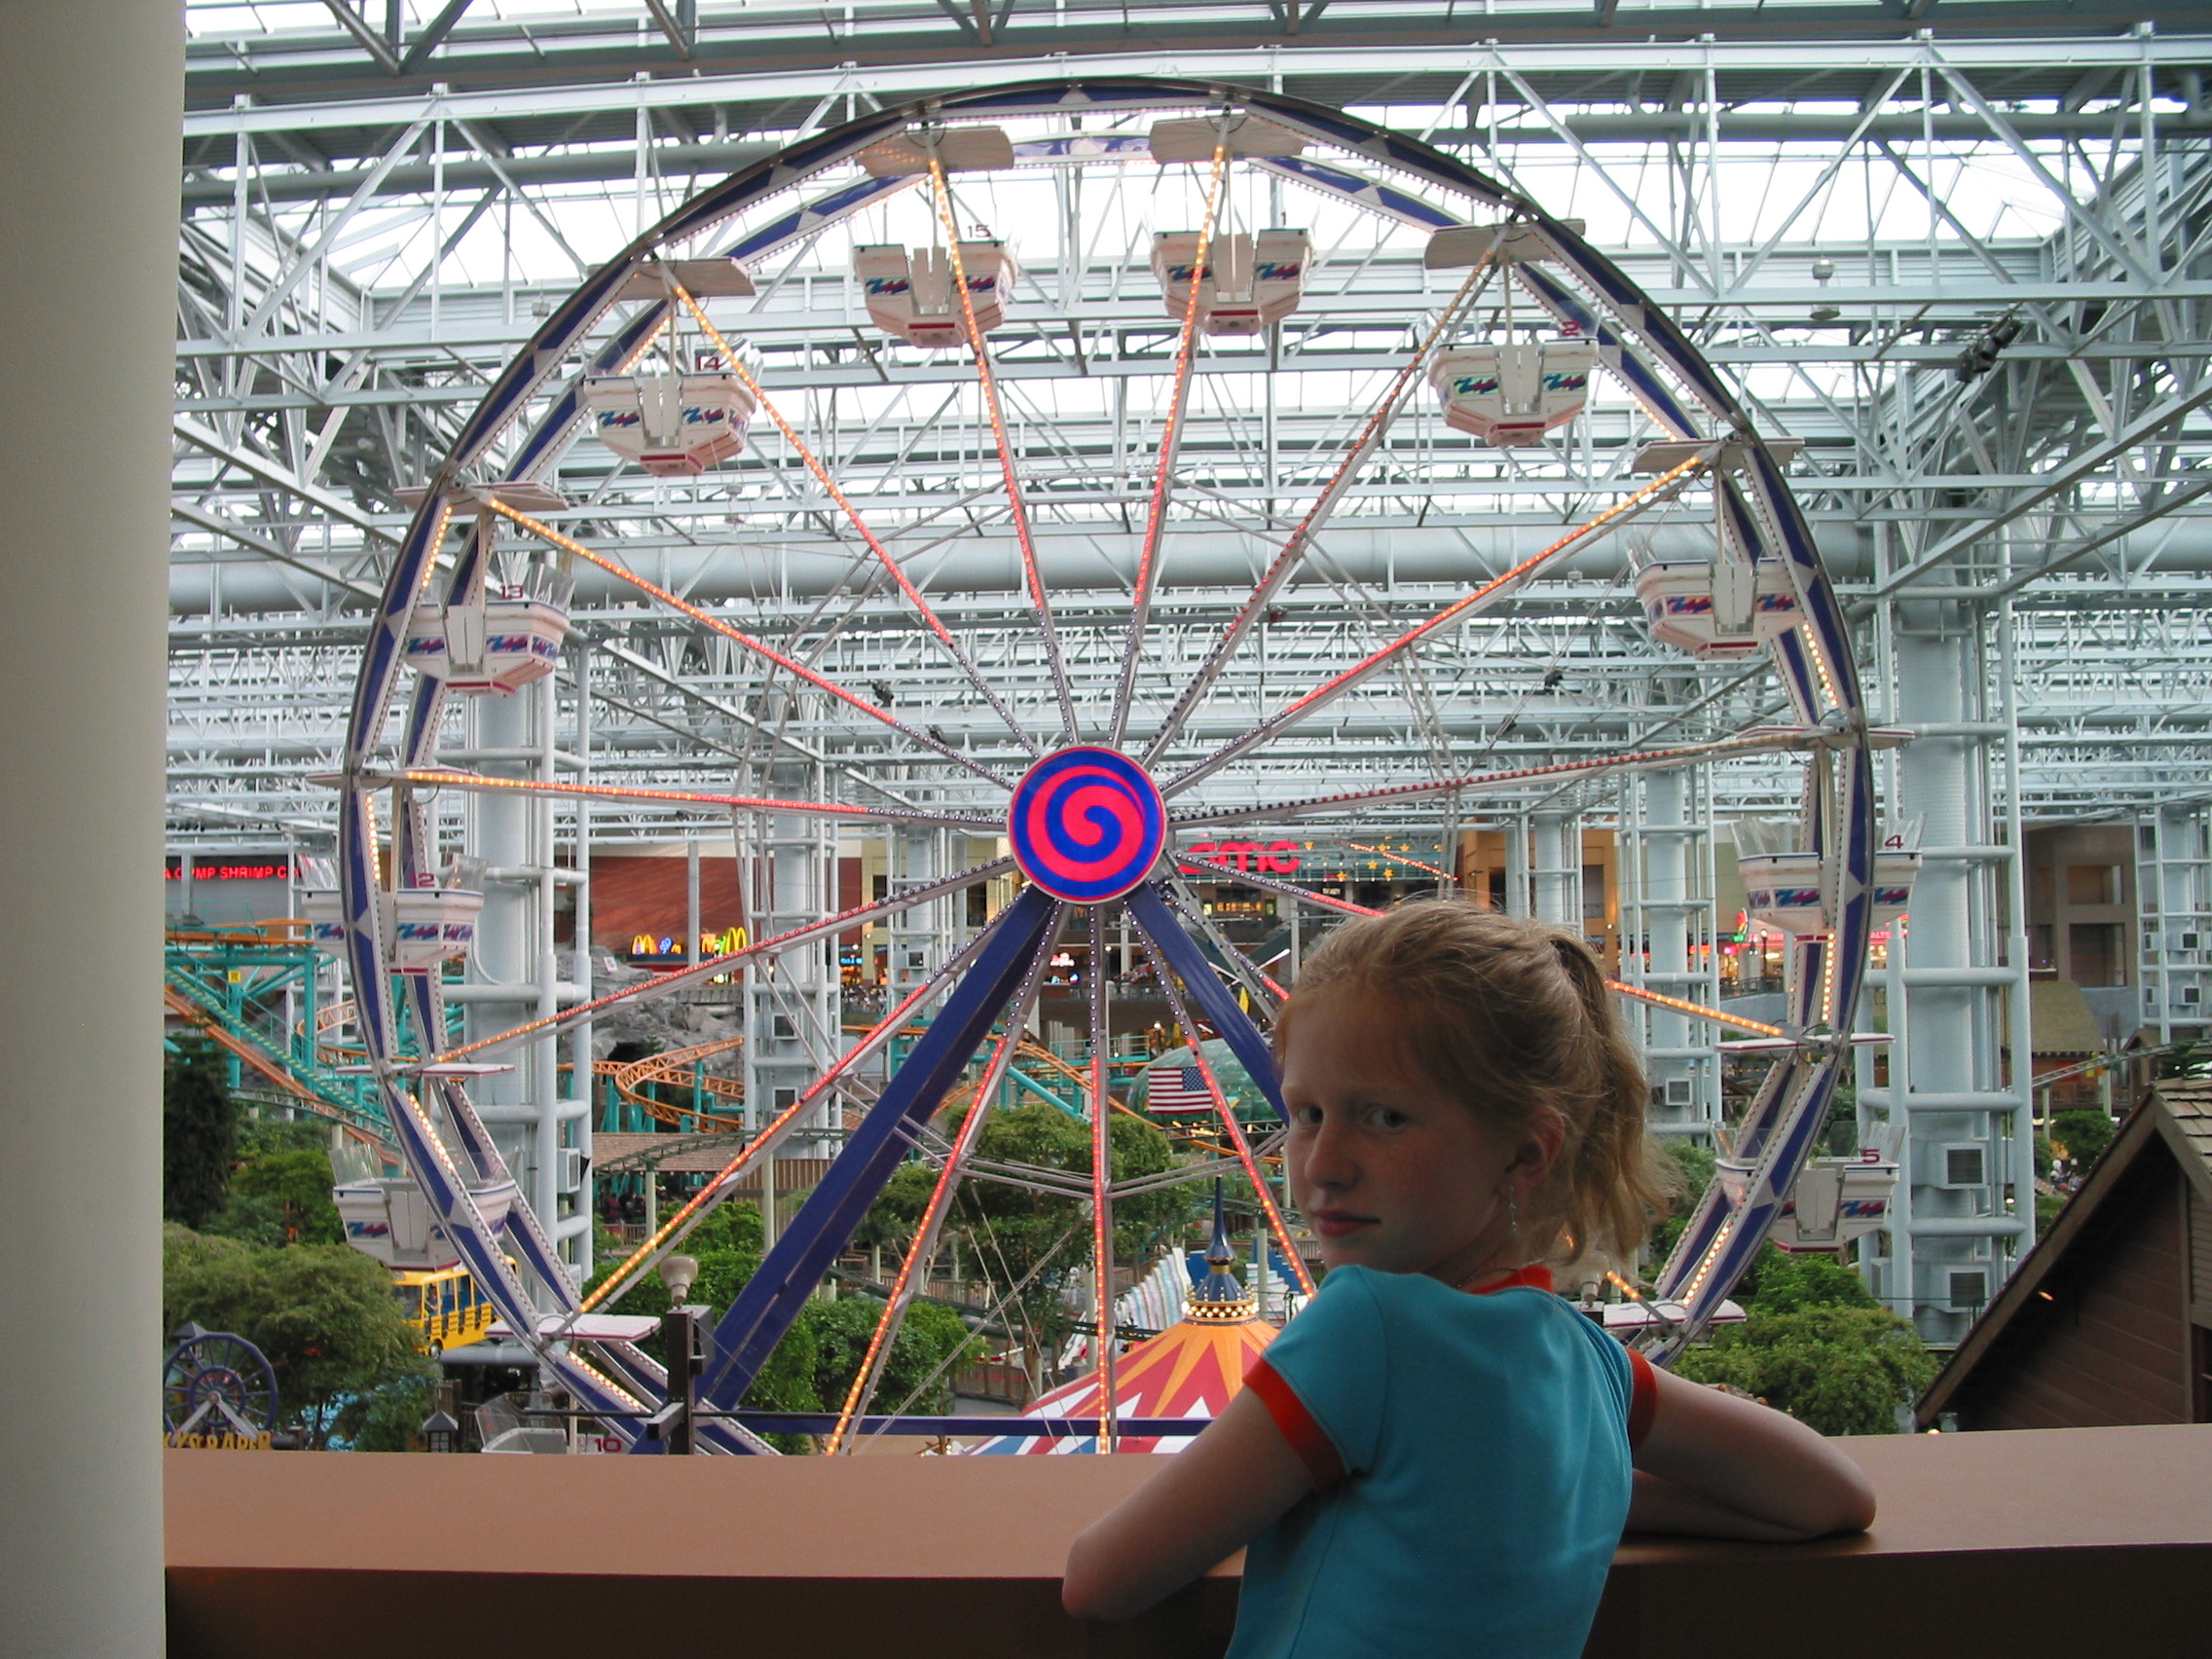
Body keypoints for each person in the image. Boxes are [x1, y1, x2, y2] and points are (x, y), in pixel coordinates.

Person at [1062, 903, 1874, 1655]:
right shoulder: (1593, 1367)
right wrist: (1573, 1496)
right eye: (1307, 1114)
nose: (1323, 1166)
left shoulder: (1367, 1329)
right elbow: (1831, 1497)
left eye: (1385, 1118)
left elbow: (1101, 1580)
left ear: (1525, 1152)